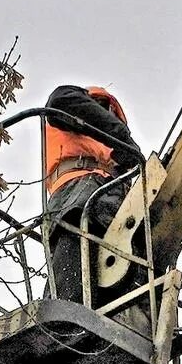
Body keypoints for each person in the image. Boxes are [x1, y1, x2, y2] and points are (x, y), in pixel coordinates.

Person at [43, 84, 143, 305]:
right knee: (77, 234)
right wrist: (121, 137)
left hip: (111, 197)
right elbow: (61, 101)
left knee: (135, 259)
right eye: (102, 109)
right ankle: (63, 315)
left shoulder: (113, 154)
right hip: (77, 188)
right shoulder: (68, 103)